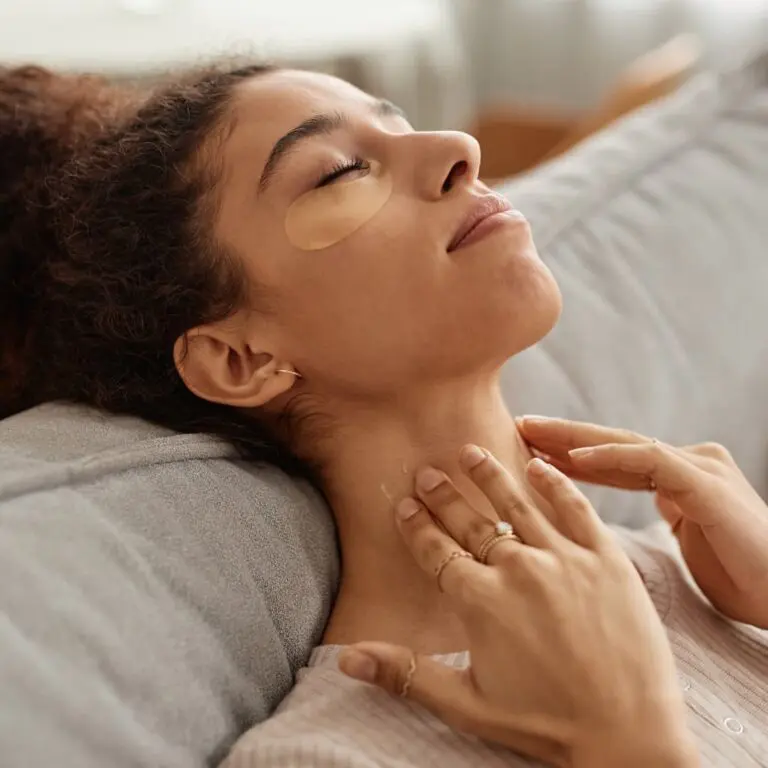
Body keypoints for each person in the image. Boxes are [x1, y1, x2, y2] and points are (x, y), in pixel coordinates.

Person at [0, 61, 765, 766]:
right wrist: (628, 740)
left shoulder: (712, 574)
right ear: (242, 361)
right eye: (340, 171)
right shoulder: (332, 757)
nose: (459, 146)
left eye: (400, 124)